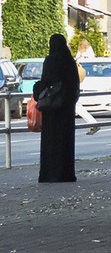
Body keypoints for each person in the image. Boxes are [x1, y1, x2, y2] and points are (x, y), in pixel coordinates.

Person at [34, 33, 81, 183]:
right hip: (66, 109)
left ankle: (51, 174)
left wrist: (37, 89)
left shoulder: (51, 61)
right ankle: (66, 174)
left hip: (52, 110)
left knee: (51, 142)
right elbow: (74, 85)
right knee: (66, 142)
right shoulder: (69, 62)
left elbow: (46, 83)